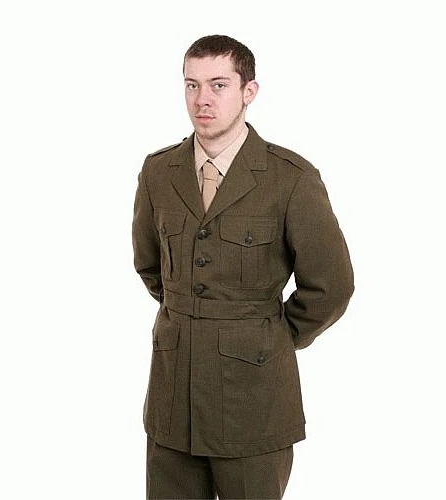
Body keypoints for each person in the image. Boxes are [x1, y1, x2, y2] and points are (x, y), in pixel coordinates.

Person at [132, 34, 354, 499]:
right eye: (192, 85)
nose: (202, 100)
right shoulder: (158, 172)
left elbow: (331, 286)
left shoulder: (290, 178)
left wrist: (268, 336)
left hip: (253, 399)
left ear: (248, 91)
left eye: (218, 85)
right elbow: (150, 266)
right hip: (173, 400)